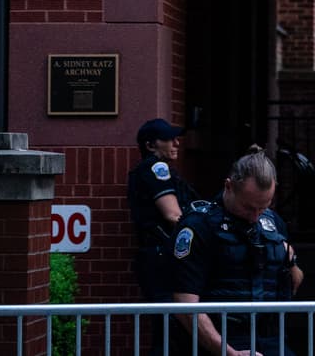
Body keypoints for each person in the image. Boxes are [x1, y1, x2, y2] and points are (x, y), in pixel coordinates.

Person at [171, 147, 303, 356]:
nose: (255, 216)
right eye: (248, 207)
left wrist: (290, 259)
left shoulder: (271, 221)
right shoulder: (199, 225)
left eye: (263, 206)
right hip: (219, 340)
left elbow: (293, 272)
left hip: (269, 338)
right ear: (228, 187)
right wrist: (229, 352)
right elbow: (185, 305)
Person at [128, 118, 200, 302]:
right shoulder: (156, 167)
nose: (176, 143)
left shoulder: (150, 170)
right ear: (151, 145)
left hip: (157, 255)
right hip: (162, 255)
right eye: (169, 139)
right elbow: (173, 215)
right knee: (169, 318)